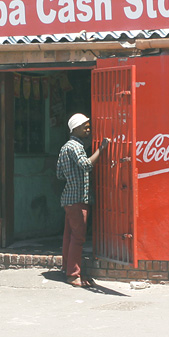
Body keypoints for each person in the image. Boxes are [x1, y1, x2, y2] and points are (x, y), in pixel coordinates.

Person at [56, 113, 108, 287]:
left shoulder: (65, 147)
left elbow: (59, 174)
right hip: (78, 198)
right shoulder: (77, 147)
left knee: (69, 237)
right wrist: (101, 149)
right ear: (75, 128)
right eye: (85, 126)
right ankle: (73, 275)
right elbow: (86, 165)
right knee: (78, 238)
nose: (88, 128)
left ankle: (67, 268)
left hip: (68, 198)